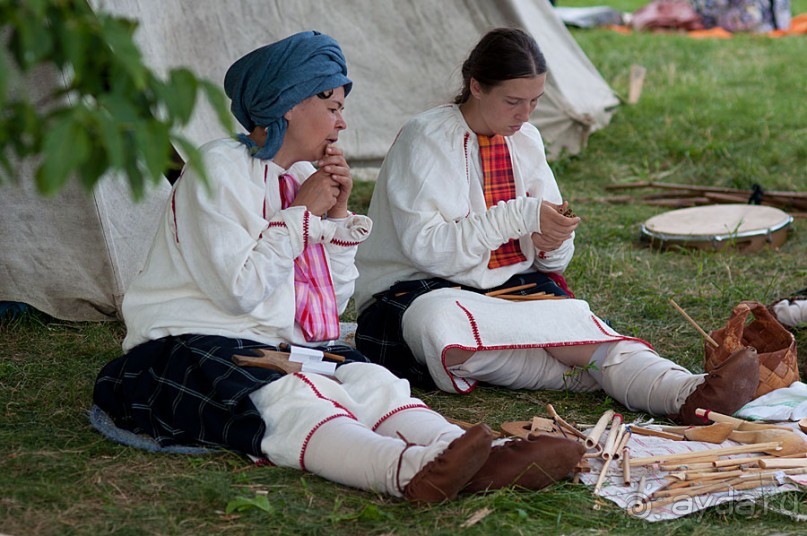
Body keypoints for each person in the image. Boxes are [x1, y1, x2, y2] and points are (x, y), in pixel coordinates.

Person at [93, 31, 585, 503]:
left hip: (279, 338)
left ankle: (480, 456)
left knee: (373, 382)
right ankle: (406, 471)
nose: (341, 124)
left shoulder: (301, 175)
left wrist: (335, 222)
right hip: (192, 339)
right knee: (291, 397)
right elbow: (238, 294)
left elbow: (331, 303)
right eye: (332, 108)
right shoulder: (217, 170)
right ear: (290, 104)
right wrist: (302, 217)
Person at [354, 27, 759, 425]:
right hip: (418, 288)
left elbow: (549, 258)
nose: (525, 115)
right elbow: (426, 248)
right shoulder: (424, 138)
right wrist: (522, 215)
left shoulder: (526, 139)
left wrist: (551, 242)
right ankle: (593, 379)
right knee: (440, 328)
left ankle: (683, 392)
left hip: (510, 284)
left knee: (577, 324)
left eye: (535, 101)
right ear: (476, 86)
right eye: (513, 101)